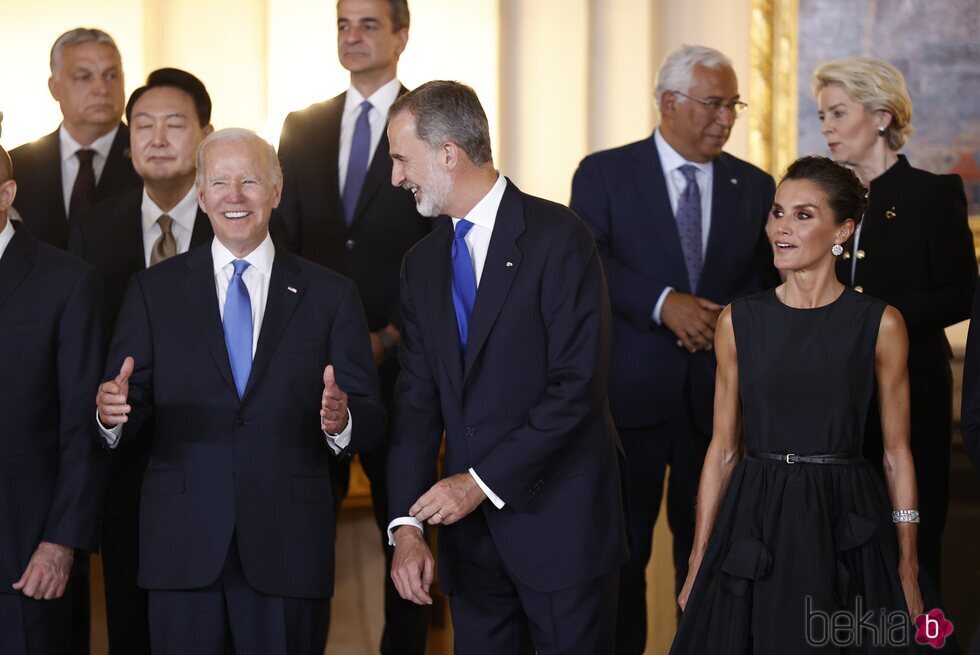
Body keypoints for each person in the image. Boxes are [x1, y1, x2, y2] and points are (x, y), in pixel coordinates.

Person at [94, 128, 385, 655]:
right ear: (201, 196)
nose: (235, 196)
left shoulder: (331, 294)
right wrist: (112, 414)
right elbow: (128, 398)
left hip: (288, 544)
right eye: (220, 183)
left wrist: (342, 422)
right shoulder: (152, 290)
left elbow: (370, 413)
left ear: (276, 191)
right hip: (182, 546)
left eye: (250, 181)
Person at [385, 80, 628, 655]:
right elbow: (417, 404)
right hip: (472, 549)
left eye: (401, 157)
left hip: (562, 527)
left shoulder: (560, 237)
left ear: (448, 152)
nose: (396, 177)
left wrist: (479, 483)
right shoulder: (420, 265)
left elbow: (577, 387)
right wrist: (407, 528)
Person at [670, 156, 939, 654]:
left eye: (803, 214)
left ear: (844, 229)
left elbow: (897, 454)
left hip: (847, 518)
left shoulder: (881, 324)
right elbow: (723, 451)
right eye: (778, 212)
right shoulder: (739, 321)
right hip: (756, 516)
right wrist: (697, 559)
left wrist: (907, 562)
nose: (781, 228)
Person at [569, 43, 776, 653]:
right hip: (627, 404)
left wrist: (724, 319)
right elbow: (590, 264)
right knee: (622, 559)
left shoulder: (755, 184)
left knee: (707, 557)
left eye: (732, 105)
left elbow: (766, 279)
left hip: (716, 406)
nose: (726, 118)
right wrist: (665, 303)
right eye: (713, 104)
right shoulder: (605, 173)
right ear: (668, 102)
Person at [274, 1, 431, 650]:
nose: (354, 35)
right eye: (343, 23)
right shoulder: (302, 125)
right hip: (314, 368)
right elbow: (281, 242)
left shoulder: (434, 118)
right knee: (300, 533)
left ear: (401, 34)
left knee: (407, 534)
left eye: (369, 23)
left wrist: (391, 336)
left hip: (403, 367)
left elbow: (446, 240)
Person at [814, 55, 976, 589]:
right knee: (833, 556)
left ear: (881, 115)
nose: (827, 128)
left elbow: (960, 293)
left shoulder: (932, 194)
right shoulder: (821, 199)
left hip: (912, 397)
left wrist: (879, 323)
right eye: (822, 116)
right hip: (831, 405)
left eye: (838, 112)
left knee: (912, 555)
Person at [68, 67, 215, 655]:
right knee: (131, 628)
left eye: (175, 124)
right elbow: (83, 348)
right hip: (125, 466)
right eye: (144, 126)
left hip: (212, 455)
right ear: (127, 145)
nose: (157, 138)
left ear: (205, 135)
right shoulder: (93, 228)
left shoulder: (237, 217)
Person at [0, 145, 108, 655]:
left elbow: (80, 425)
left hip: (24, 558)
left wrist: (61, 542)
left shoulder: (66, 282)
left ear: (6, 194)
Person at [10, 28, 140, 249]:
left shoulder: (152, 159)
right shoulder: (17, 166)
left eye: (111, 75)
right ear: (54, 88)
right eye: (84, 77)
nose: (101, 89)